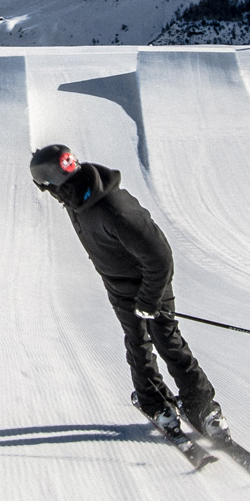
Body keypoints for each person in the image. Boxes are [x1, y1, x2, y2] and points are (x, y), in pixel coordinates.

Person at [29, 144, 226, 437]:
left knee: (167, 340)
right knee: (137, 341)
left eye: (46, 188)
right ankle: (155, 402)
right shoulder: (77, 196)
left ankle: (202, 407)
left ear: (55, 183)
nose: (50, 195)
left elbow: (160, 258)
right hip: (118, 285)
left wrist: (148, 299)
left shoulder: (114, 209)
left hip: (151, 284)